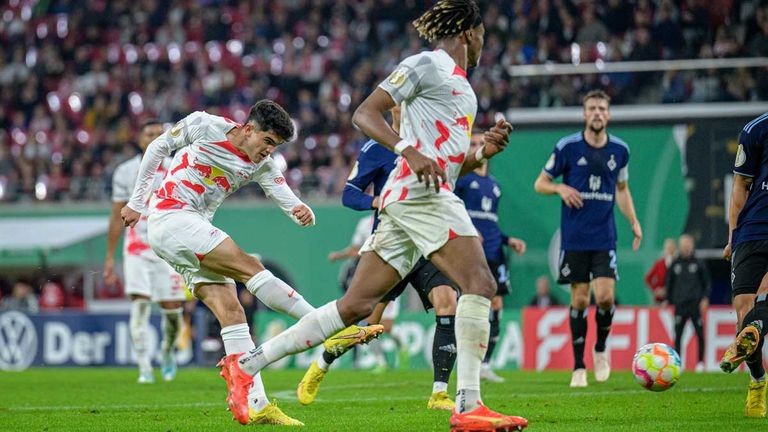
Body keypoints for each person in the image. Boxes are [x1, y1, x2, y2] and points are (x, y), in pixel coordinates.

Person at [224, 1, 529, 430]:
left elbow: (451, 162)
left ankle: (248, 364)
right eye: (482, 35)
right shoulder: (427, 64)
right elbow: (364, 113)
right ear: (468, 33)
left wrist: (482, 152)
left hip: (411, 198)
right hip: (420, 195)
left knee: (355, 306)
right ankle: (467, 405)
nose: (484, 44)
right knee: (479, 282)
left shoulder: (462, 87)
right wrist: (407, 149)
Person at [120, 101, 383, 426]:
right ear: (248, 129)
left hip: (189, 228)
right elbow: (159, 146)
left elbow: (286, 198)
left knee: (231, 310)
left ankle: (257, 403)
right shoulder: (205, 125)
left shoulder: (263, 165)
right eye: (267, 142)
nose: (268, 151)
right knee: (250, 268)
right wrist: (136, 202)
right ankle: (330, 328)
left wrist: (301, 210)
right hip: (171, 216)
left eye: (276, 146)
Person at [299, 107, 461, 411]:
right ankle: (324, 359)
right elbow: (349, 194)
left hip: (426, 242)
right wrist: (378, 200)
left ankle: (439, 393)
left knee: (447, 302)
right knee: (365, 321)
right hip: (392, 245)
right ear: (395, 109)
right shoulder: (376, 147)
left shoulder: (432, 142)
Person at [534, 89, 642, 388]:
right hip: (575, 238)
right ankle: (579, 366)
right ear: (584, 114)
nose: (597, 113)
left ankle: (600, 348)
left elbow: (622, 189)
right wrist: (560, 189)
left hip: (604, 236)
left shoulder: (620, 150)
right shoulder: (567, 147)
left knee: (605, 297)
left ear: (608, 114)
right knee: (580, 300)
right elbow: (540, 183)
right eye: (592, 108)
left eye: (602, 109)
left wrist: (633, 221)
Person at [105, 119, 187, 384]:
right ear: (140, 140)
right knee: (140, 303)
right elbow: (117, 216)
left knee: (172, 309)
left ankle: (166, 352)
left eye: (158, 134)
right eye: (148, 134)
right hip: (137, 247)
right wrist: (109, 257)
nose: (153, 138)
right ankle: (143, 367)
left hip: (167, 246)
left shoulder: (177, 167)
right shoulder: (125, 172)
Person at [455, 133, 527, 383]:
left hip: (495, 252)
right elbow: (452, 210)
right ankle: (460, 358)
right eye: (472, 145)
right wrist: (469, 229)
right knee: (467, 303)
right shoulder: (462, 179)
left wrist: (509, 241)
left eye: (479, 144)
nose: (476, 148)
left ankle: (485, 364)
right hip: (470, 252)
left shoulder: (495, 186)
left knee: (496, 306)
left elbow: (490, 223)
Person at [720, 111, 768, 418]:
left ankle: (754, 328)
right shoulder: (755, 130)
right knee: (743, 310)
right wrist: (732, 236)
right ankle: (758, 380)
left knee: (765, 296)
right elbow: (740, 186)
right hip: (752, 229)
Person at [665, 234, 710, 372]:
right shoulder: (675, 264)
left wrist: (704, 298)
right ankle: (678, 363)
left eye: (688, 244)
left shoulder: (699, 263)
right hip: (680, 305)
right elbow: (669, 284)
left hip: (695, 305)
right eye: (683, 244)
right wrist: (669, 300)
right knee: (678, 336)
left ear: (692, 245)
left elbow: (707, 283)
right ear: (680, 246)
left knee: (700, 334)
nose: (685, 247)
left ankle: (700, 363)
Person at [644, 238, 676, 305]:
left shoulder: (678, 263)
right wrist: (656, 290)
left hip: (674, 299)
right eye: (668, 248)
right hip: (660, 300)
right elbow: (648, 278)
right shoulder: (659, 264)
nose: (669, 250)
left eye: (671, 248)